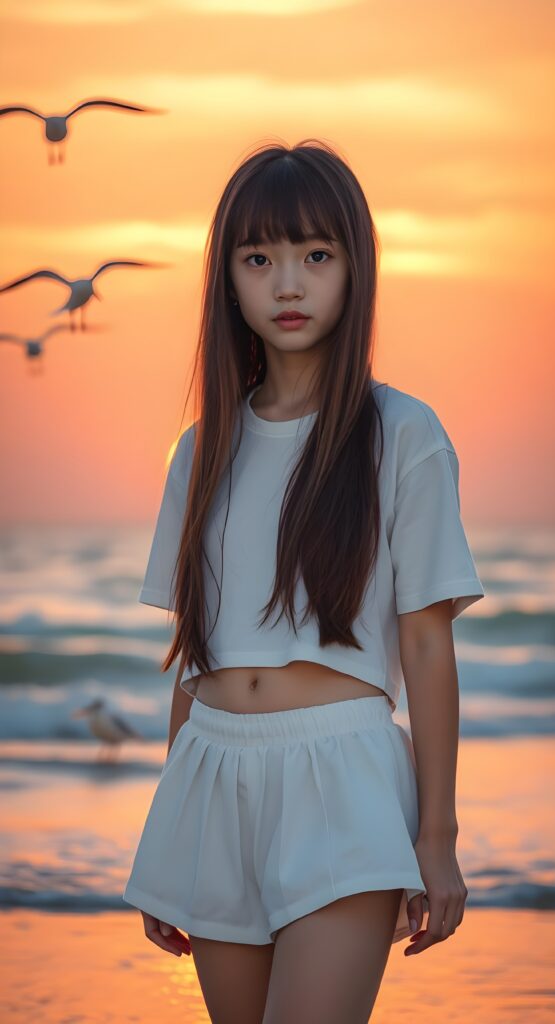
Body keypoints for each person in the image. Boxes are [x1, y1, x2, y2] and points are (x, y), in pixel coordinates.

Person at [122, 139, 485, 1024]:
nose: (288, 284)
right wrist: (175, 831)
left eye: (316, 256)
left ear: (354, 268)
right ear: (230, 281)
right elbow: (197, 655)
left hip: (343, 778)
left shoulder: (402, 433)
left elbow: (428, 644)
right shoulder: (199, 452)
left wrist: (436, 841)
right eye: (260, 259)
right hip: (210, 777)